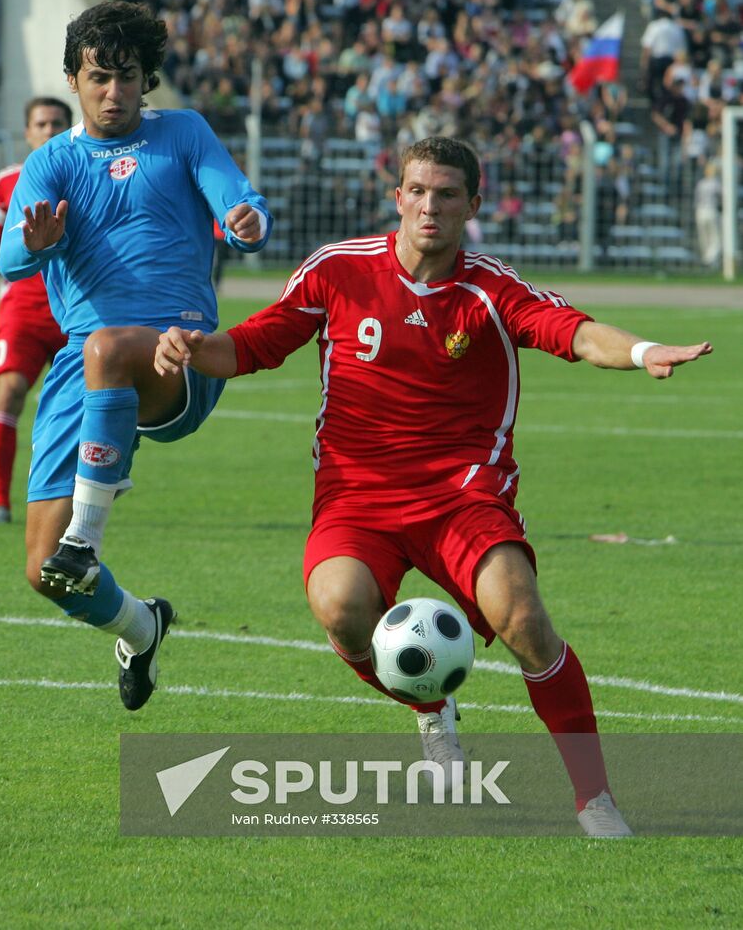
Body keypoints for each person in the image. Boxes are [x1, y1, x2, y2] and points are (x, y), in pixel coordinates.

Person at [154, 136, 712, 837]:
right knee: (339, 608)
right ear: (398, 197)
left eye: (447, 195)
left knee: (522, 619)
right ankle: (429, 707)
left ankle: (594, 799)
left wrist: (641, 351)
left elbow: (571, 332)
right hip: (356, 496)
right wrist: (192, 347)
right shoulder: (338, 269)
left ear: (471, 206)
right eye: (417, 191)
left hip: (462, 495)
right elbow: (254, 344)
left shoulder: (491, 289)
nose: (430, 206)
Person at [0, 1, 272, 711]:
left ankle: (86, 535)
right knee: (44, 572)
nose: (113, 92)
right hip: (82, 367)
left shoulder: (182, 132)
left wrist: (248, 220)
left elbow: (239, 201)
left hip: (181, 351)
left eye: (127, 77)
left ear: (147, 79)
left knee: (111, 347)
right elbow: (10, 258)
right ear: (73, 80)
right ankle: (141, 626)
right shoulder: (53, 161)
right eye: (99, 78)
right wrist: (37, 241)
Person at [0, 97, 73, 525]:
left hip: (76, 310)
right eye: (41, 124)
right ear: (28, 132)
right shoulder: (8, 180)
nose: (49, 131)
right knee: (9, 391)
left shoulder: (86, 173)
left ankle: (88, 492)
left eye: (57, 123)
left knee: (91, 405)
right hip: (23, 313)